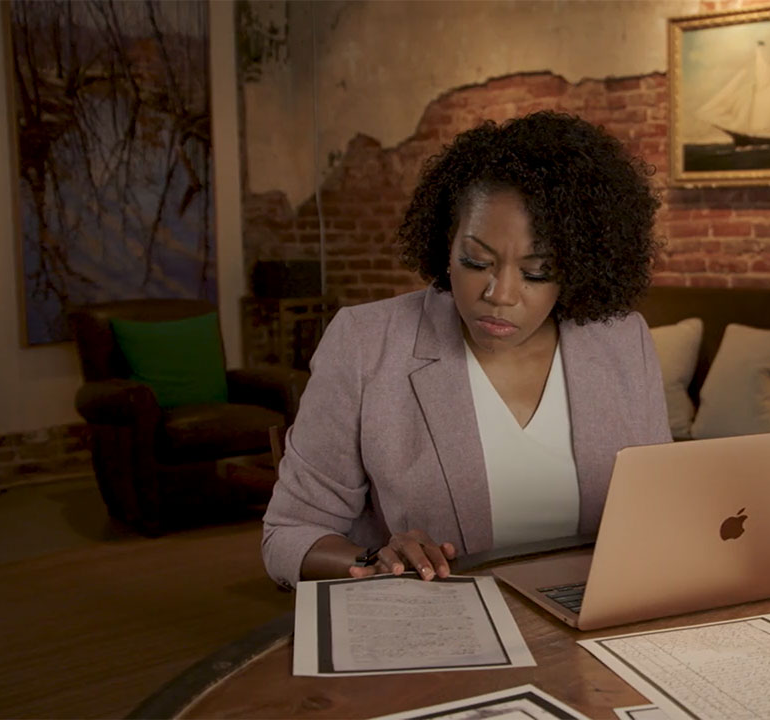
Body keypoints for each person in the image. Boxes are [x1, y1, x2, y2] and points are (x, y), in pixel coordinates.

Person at [261, 110, 671, 589]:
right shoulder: (365, 344)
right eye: (475, 261)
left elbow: (659, 510)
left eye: (537, 272)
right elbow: (289, 534)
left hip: (597, 613)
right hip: (446, 622)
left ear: (581, 267)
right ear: (446, 242)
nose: (500, 294)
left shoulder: (622, 341)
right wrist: (376, 560)